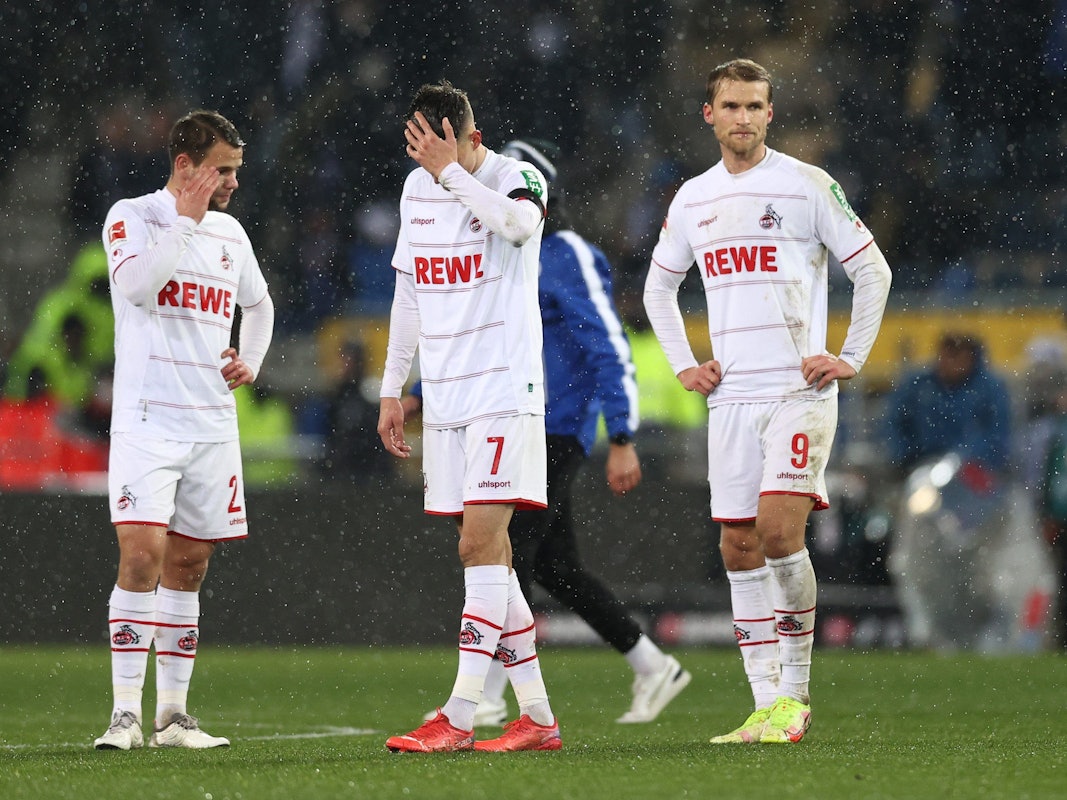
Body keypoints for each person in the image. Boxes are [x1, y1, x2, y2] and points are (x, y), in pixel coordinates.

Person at [642, 59, 892, 744]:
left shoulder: (806, 185)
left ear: (770, 114)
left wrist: (849, 358)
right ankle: (762, 705)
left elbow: (872, 269)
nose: (743, 118)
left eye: (755, 106)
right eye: (731, 106)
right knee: (738, 546)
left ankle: (796, 696)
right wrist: (684, 365)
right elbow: (656, 290)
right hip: (730, 401)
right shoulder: (692, 198)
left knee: (779, 533)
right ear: (709, 114)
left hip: (796, 392)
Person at [404, 138, 691, 728]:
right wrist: (422, 395)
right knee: (554, 566)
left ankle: (485, 694)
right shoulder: (494, 247)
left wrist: (623, 433)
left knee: (507, 555)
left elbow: (608, 343)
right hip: (506, 414)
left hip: (548, 424)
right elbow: (472, 333)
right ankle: (650, 663)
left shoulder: (564, 253)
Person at [377, 81, 560, 753]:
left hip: (503, 391)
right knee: (493, 559)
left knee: (477, 546)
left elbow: (517, 226)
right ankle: (537, 717)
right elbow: (407, 290)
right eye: (414, 145)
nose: (420, 157)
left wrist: (448, 172)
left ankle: (458, 715)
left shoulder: (518, 179)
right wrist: (392, 386)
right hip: (449, 395)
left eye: (431, 143)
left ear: (464, 137)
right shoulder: (413, 190)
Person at [93, 110, 275, 750]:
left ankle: (172, 716)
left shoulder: (231, 235)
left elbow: (259, 304)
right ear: (184, 166)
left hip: (211, 426)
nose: (231, 183)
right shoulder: (132, 216)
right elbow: (140, 287)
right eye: (222, 170)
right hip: (147, 422)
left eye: (234, 171)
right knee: (140, 557)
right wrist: (185, 221)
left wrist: (249, 357)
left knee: (190, 565)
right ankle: (124, 715)